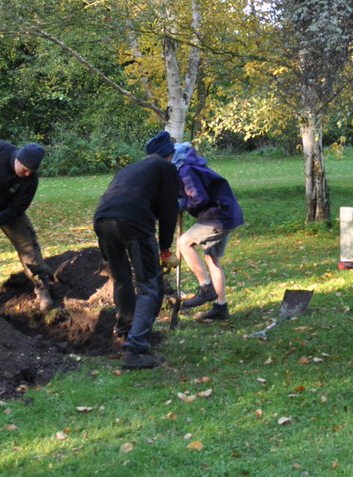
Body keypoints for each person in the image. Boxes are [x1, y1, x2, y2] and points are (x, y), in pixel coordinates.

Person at [92, 131, 182, 370]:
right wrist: (164, 247)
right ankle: (136, 349)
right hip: (132, 223)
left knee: (122, 278)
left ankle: (124, 331)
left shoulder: (131, 170)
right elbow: (168, 212)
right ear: (169, 155)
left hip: (102, 220)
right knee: (150, 285)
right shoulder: (166, 168)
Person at [0, 140, 56, 311]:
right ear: (18, 160)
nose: (27, 174)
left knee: (27, 245)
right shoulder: (0, 150)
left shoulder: (31, 181)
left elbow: (17, 209)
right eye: (25, 169)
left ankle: (43, 289)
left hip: (8, 212)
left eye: (32, 171)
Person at [173, 142, 244, 322]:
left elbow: (198, 198)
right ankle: (221, 307)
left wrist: (182, 204)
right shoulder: (191, 166)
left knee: (183, 243)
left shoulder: (185, 170)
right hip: (227, 214)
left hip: (218, 217)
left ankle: (206, 288)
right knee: (212, 259)